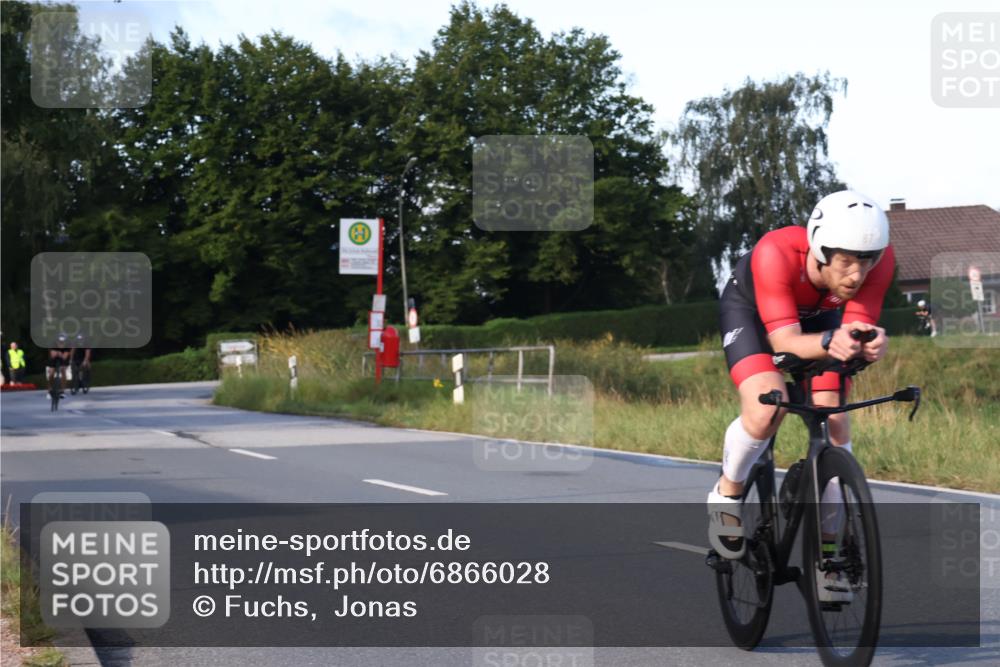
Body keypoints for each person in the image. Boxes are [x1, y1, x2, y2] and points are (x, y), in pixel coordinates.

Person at [709, 189, 894, 604]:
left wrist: (869, 341)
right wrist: (832, 339)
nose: (856, 275)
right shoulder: (775, 251)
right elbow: (787, 342)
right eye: (845, 261)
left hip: (821, 323)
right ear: (819, 249)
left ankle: (827, 557)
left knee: (835, 422)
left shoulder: (877, 261)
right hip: (756, 318)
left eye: (866, 262)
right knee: (765, 405)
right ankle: (726, 495)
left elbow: (857, 325)